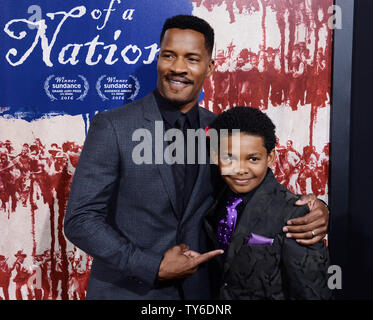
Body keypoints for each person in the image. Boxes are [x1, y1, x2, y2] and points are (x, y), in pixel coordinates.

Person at [64, 14, 329, 300]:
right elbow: (80, 219)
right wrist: (152, 266)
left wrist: (313, 209)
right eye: (169, 55)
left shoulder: (221, 130)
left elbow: (258, 189)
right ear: (158, 59)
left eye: (191, 58)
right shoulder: (114, 126)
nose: (178, 68)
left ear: (210, 67)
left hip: (202, 294)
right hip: (129, 292)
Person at [204, 107, 331, 299]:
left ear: (270, 157)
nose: (240, 169)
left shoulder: (296, 214)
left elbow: (312, 293)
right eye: (229, 158)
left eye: (253, 159)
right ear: (215, 157)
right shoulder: (213, 199)